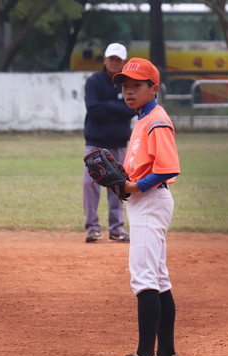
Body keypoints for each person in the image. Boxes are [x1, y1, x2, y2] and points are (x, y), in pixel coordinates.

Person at [99, 58, 183, 356]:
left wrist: (132, 185)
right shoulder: (143, 118)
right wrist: (125, 181)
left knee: (145, 278)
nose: (128, 91)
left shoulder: (156, 120)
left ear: (154, 88)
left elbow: (167, 168)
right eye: (125, 86)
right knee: (158, 280)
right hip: (146, 201)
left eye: (136, 86)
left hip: (150, 201)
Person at [83, 43, 136, 243]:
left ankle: (116, 229)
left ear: (124, 63)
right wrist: (118, 108)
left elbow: (131, 109)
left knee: (119, 185)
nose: (114, 63)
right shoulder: (94, 82)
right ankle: (92, 228)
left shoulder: (128, 83)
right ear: (104, 60)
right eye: (111, 59)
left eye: (118, 60)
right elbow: (94, 110)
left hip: (120, 143)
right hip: (95, 142)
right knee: (90, 185)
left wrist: (107, 106)